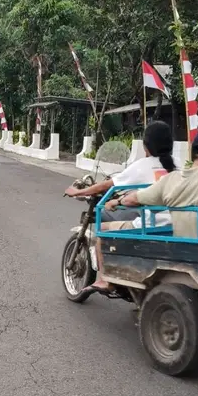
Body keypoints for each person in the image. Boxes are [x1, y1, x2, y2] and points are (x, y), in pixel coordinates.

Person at [65, 121, 177, 293]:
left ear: (146, 146)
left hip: (151, 226)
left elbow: (107, 185)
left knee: (102, 230)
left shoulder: (142, 166)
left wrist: (77, 192)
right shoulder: (176, 166)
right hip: (174, 224)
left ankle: (104, 280)